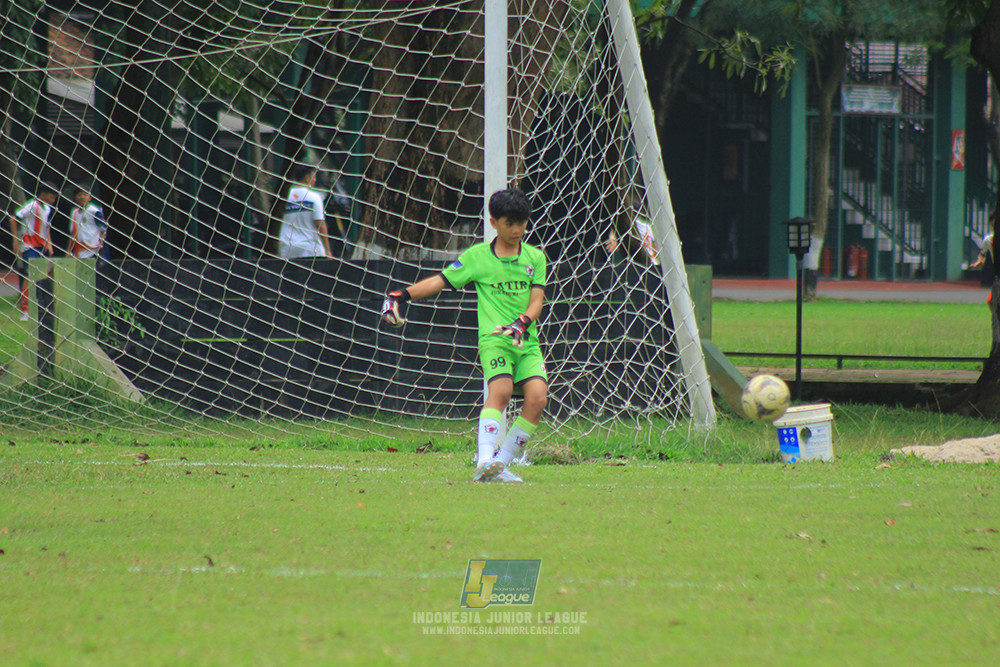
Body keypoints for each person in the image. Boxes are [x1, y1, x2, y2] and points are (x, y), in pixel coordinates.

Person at [381, 189, 548, 483]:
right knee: (502, 391)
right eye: (510, 223)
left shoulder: (535, 257)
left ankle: (500, 466)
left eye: (522, 223)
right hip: (495, 340)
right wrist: (401, 295)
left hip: (526, 341)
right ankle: (484, 458)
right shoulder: (477, 257)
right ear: (494, 222)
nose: (518, 230)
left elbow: (537, 301)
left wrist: (523, 321)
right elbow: (441, 281)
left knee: (537, 399)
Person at [9, 182, 57, 320]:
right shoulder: (31, 206)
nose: (53, 200)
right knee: (30, 276)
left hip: (41, 246)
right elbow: (14, 219)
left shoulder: (47, 209)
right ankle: (25, 310)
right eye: (51, 196)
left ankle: (39, 307)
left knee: (43, 276)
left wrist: (49, 244)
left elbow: (46, 226)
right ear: (43, 194)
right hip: (29, 246)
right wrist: (15, 240)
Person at [278, 165, 333, 259]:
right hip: (310, 250)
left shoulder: (283, 197)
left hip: (287, 249)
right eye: (314, 177)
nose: (315, 180)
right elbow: (320, 224)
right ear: (307, 178)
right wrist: (327, 250)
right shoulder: (314, 197)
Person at [67, 185, 108, 264]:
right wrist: (68, 251)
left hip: (93, 251)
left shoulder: (94, 211)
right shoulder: (74, 212)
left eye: (85, 195)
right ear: (75, 197)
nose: (82, 197)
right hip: (79, 252)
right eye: (79, 195)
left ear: (89, 197)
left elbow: (103, 230)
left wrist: (101, 247)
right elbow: (72, 233)